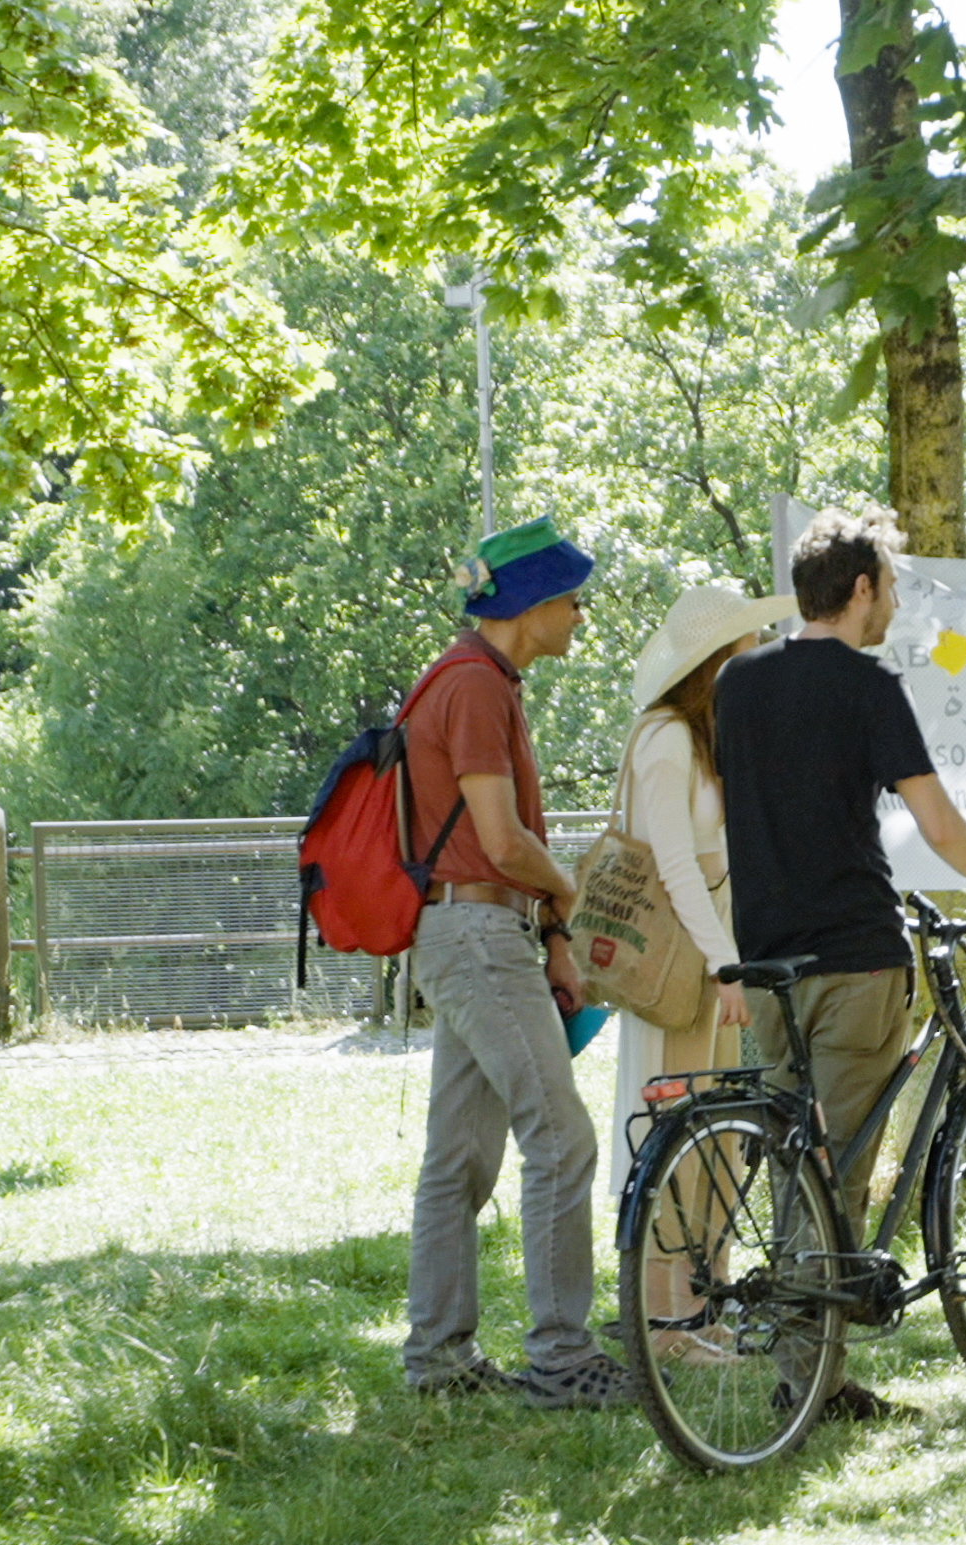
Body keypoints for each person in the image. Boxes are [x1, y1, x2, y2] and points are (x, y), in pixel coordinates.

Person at [715, 507, 966, 1421]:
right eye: (893, 585)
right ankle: (812, 1385)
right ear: (861, 587)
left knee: (795, 1155)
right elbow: (942, 827)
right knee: (835, 1168)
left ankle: (804, 1365)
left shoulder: (738, 684)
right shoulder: (869, 688)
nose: (898, 603)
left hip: (767, 961)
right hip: (854, 956)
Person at [400, 516, 640, 1407]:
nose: (581, 614)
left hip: (477, 932)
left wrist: (550, 937)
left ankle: (440, 1358)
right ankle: (563, 1356)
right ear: (532, 603)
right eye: (572, 598)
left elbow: (496, 844)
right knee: (562, 1137)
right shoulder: (474, 687)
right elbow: (501, 842)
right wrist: (569, 894)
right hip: (474, 935)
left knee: (459, 1158)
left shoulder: (479, 680)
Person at [605, 583, 797, 1363]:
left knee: (713, 1135)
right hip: (680, 961)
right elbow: (676, 866)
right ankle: (664, 1323)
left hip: (715, 952)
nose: (755, 656)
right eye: (743, 647)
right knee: (672, 1129)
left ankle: (701, 1307)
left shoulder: (703, 738)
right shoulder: (664, 740)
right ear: (714, 660)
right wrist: (725, 964)